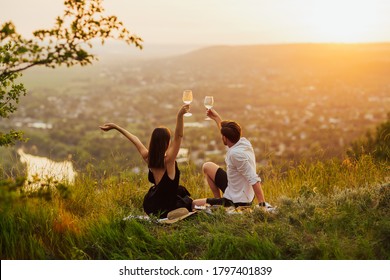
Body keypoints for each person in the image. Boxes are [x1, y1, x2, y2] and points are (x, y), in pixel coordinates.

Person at [99, 104, 193, 218]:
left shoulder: (149, 158)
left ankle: (166, 214)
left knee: (180, 191)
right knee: (189, 202)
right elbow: (178, 136)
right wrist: (179, 115)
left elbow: (135, 139)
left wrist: (116, 127)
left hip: (152, 204)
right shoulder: (169, 160)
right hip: (167, 205)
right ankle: (171, 214)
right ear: (167, 143)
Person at [192, 108, 275, 212]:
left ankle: (220, 206)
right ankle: (218, 201)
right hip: (234, 187)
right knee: (207, 166)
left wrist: (262, 205)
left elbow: (254, 179)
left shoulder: (235, 155)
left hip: (237, 201)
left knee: (194, 204)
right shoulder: (242, 142)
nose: (221, 137)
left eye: (222, 136)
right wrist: (217, 118)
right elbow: (227, 134)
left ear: (225, 138)